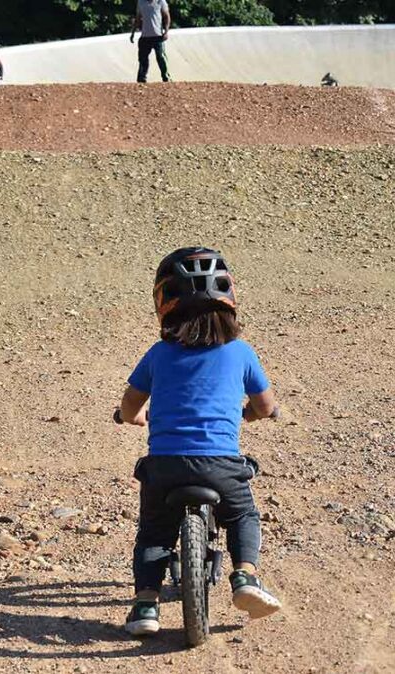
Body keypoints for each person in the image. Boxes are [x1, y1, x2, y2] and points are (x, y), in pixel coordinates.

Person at [117, 247, 283, 637]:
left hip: (166, 466)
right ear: (228, 303)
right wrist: (254, 415)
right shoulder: (240, 352)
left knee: (154, 532)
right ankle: (245, 578)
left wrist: (132, 417)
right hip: (222, 465)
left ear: (164, 305)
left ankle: (145, 604)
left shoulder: (158, 354)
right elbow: (265, 404)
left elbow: (130, 406)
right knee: (242, 514)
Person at [129, 0, 171, 83]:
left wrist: (166, 31)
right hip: (145, 36)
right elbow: (138, 18)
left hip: (158, 35)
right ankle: (142, 79)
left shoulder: (160, 2)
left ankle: (166, 78)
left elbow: (166, 16)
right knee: (142, 59)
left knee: (161, 57)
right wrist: (133, 33)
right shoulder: (141, 2)